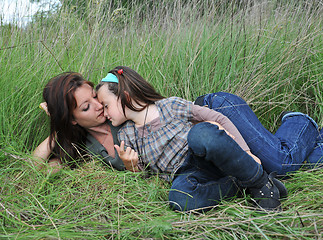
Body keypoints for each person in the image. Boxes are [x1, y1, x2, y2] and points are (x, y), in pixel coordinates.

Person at [95, 66, 287, 212]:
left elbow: (218, 118)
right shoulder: (127, 135)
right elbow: (146, 175)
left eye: (106, 105)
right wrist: (132, 166)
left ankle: (258, 180)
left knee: (201, 133)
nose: (104, 113)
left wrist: (246, 152)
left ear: (125, 97)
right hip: (186, 174)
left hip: (204, 153)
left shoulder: (169, 106)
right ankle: (249, 184)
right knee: (179, 197)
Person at [194, 92, 323, 175]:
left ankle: (299, 121)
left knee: (282, 163)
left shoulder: (172, 108)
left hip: (215, 110)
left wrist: (247, 153)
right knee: (306, 165)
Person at [33, 72, 140, 174]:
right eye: (86, 107)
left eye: (94, 96)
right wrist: (59, 126)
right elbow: (34, 168)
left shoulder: (121, 115)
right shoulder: (81, 147)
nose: (99, 106)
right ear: (72, 120)